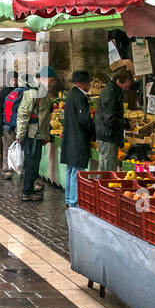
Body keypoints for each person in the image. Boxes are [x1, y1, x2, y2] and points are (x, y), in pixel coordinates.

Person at [16, 66, 56, 202]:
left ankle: (30, 189)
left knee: (34, 163)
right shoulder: (33, 92)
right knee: (31, 163)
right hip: (32, 135)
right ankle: (27, 191)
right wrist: (20, 135)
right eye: (51, 80)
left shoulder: (42, 92)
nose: (53, 84)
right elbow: (23, 114)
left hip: (38, 135)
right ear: (44, 79)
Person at [62, 70, 94, 207]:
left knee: (70, 171)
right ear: (82, 84)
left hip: (70, 139)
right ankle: (74, 201)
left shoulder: (70, 96)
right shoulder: (80, 98)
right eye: (88, 83)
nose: (89, 86)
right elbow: (84, 120)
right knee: (76, 172)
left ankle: (69, 198)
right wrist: (94, 131)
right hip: (78, 140)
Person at [95, 67, 135, 172]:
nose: (127, 88)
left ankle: (100, 186)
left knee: (104, 168)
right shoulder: (111, 94)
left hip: (105, 135)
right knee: (108, 171)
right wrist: (126, 124)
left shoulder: (113, 91)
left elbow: (112, 115)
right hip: (108, 137)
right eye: (127, 84)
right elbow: (110, 119)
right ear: (118, 81)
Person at [0, 74, 25, 181]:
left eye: (16, 79)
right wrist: (0, 124)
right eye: (12, 79)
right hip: (7, 125)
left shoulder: (20, 92)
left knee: (20, 148)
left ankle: (21, 169)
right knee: (7, 148)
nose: (14, 81)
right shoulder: (3, 93)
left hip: (18, 124)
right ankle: (7, 169)